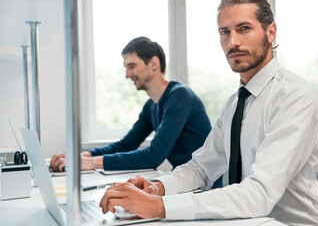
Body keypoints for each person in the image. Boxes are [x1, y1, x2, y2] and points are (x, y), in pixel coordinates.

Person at [98, 0, 318, 226]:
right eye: (225, 32)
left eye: (244, 28)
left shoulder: (296, 97)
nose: (233, 42)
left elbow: (259, 194)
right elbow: (201, 168)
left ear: (271, 32)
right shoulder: (236, 103)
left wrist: (158, 207)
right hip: (243, 221)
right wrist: (157, 188)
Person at [50, 37, 222, 187]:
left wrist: (91, 163)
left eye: (131, 66)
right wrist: (84, 155)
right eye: (126, 67)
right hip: (187, 181)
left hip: (209, 185)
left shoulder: (180, 96)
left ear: (154, 63)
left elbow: (154, 156)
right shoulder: (151, 105)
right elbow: (126, 145)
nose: (127, 74)